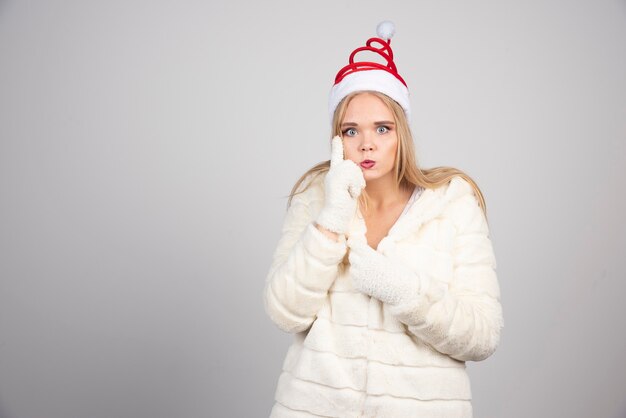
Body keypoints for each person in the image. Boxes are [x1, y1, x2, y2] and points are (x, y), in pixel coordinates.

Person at [263, 21, 503, 418]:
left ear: (401, 134)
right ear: (337, 138)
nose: (367, 143)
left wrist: (405, 291)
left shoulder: (452, 204)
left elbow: (482, 336)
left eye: (383, 128)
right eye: (351, 130)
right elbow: (284, 311)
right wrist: (331, 220)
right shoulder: (314, 198)